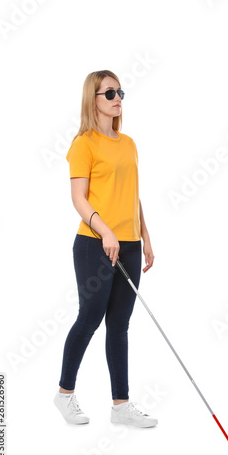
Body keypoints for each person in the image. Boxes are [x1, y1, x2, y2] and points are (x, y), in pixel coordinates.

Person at [54, 70, 157, 427]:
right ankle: (65, 394)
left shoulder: (128, 144)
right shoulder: (83, 144)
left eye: (120, 92)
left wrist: (145, 236)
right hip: (94, 244)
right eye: (109, 92)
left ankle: (121, 406)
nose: (117, 98)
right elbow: (78, 199)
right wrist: (106, 232)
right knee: (90, 318)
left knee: (119, 324)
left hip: (128, 244)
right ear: (92, 99)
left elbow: (132, 193)